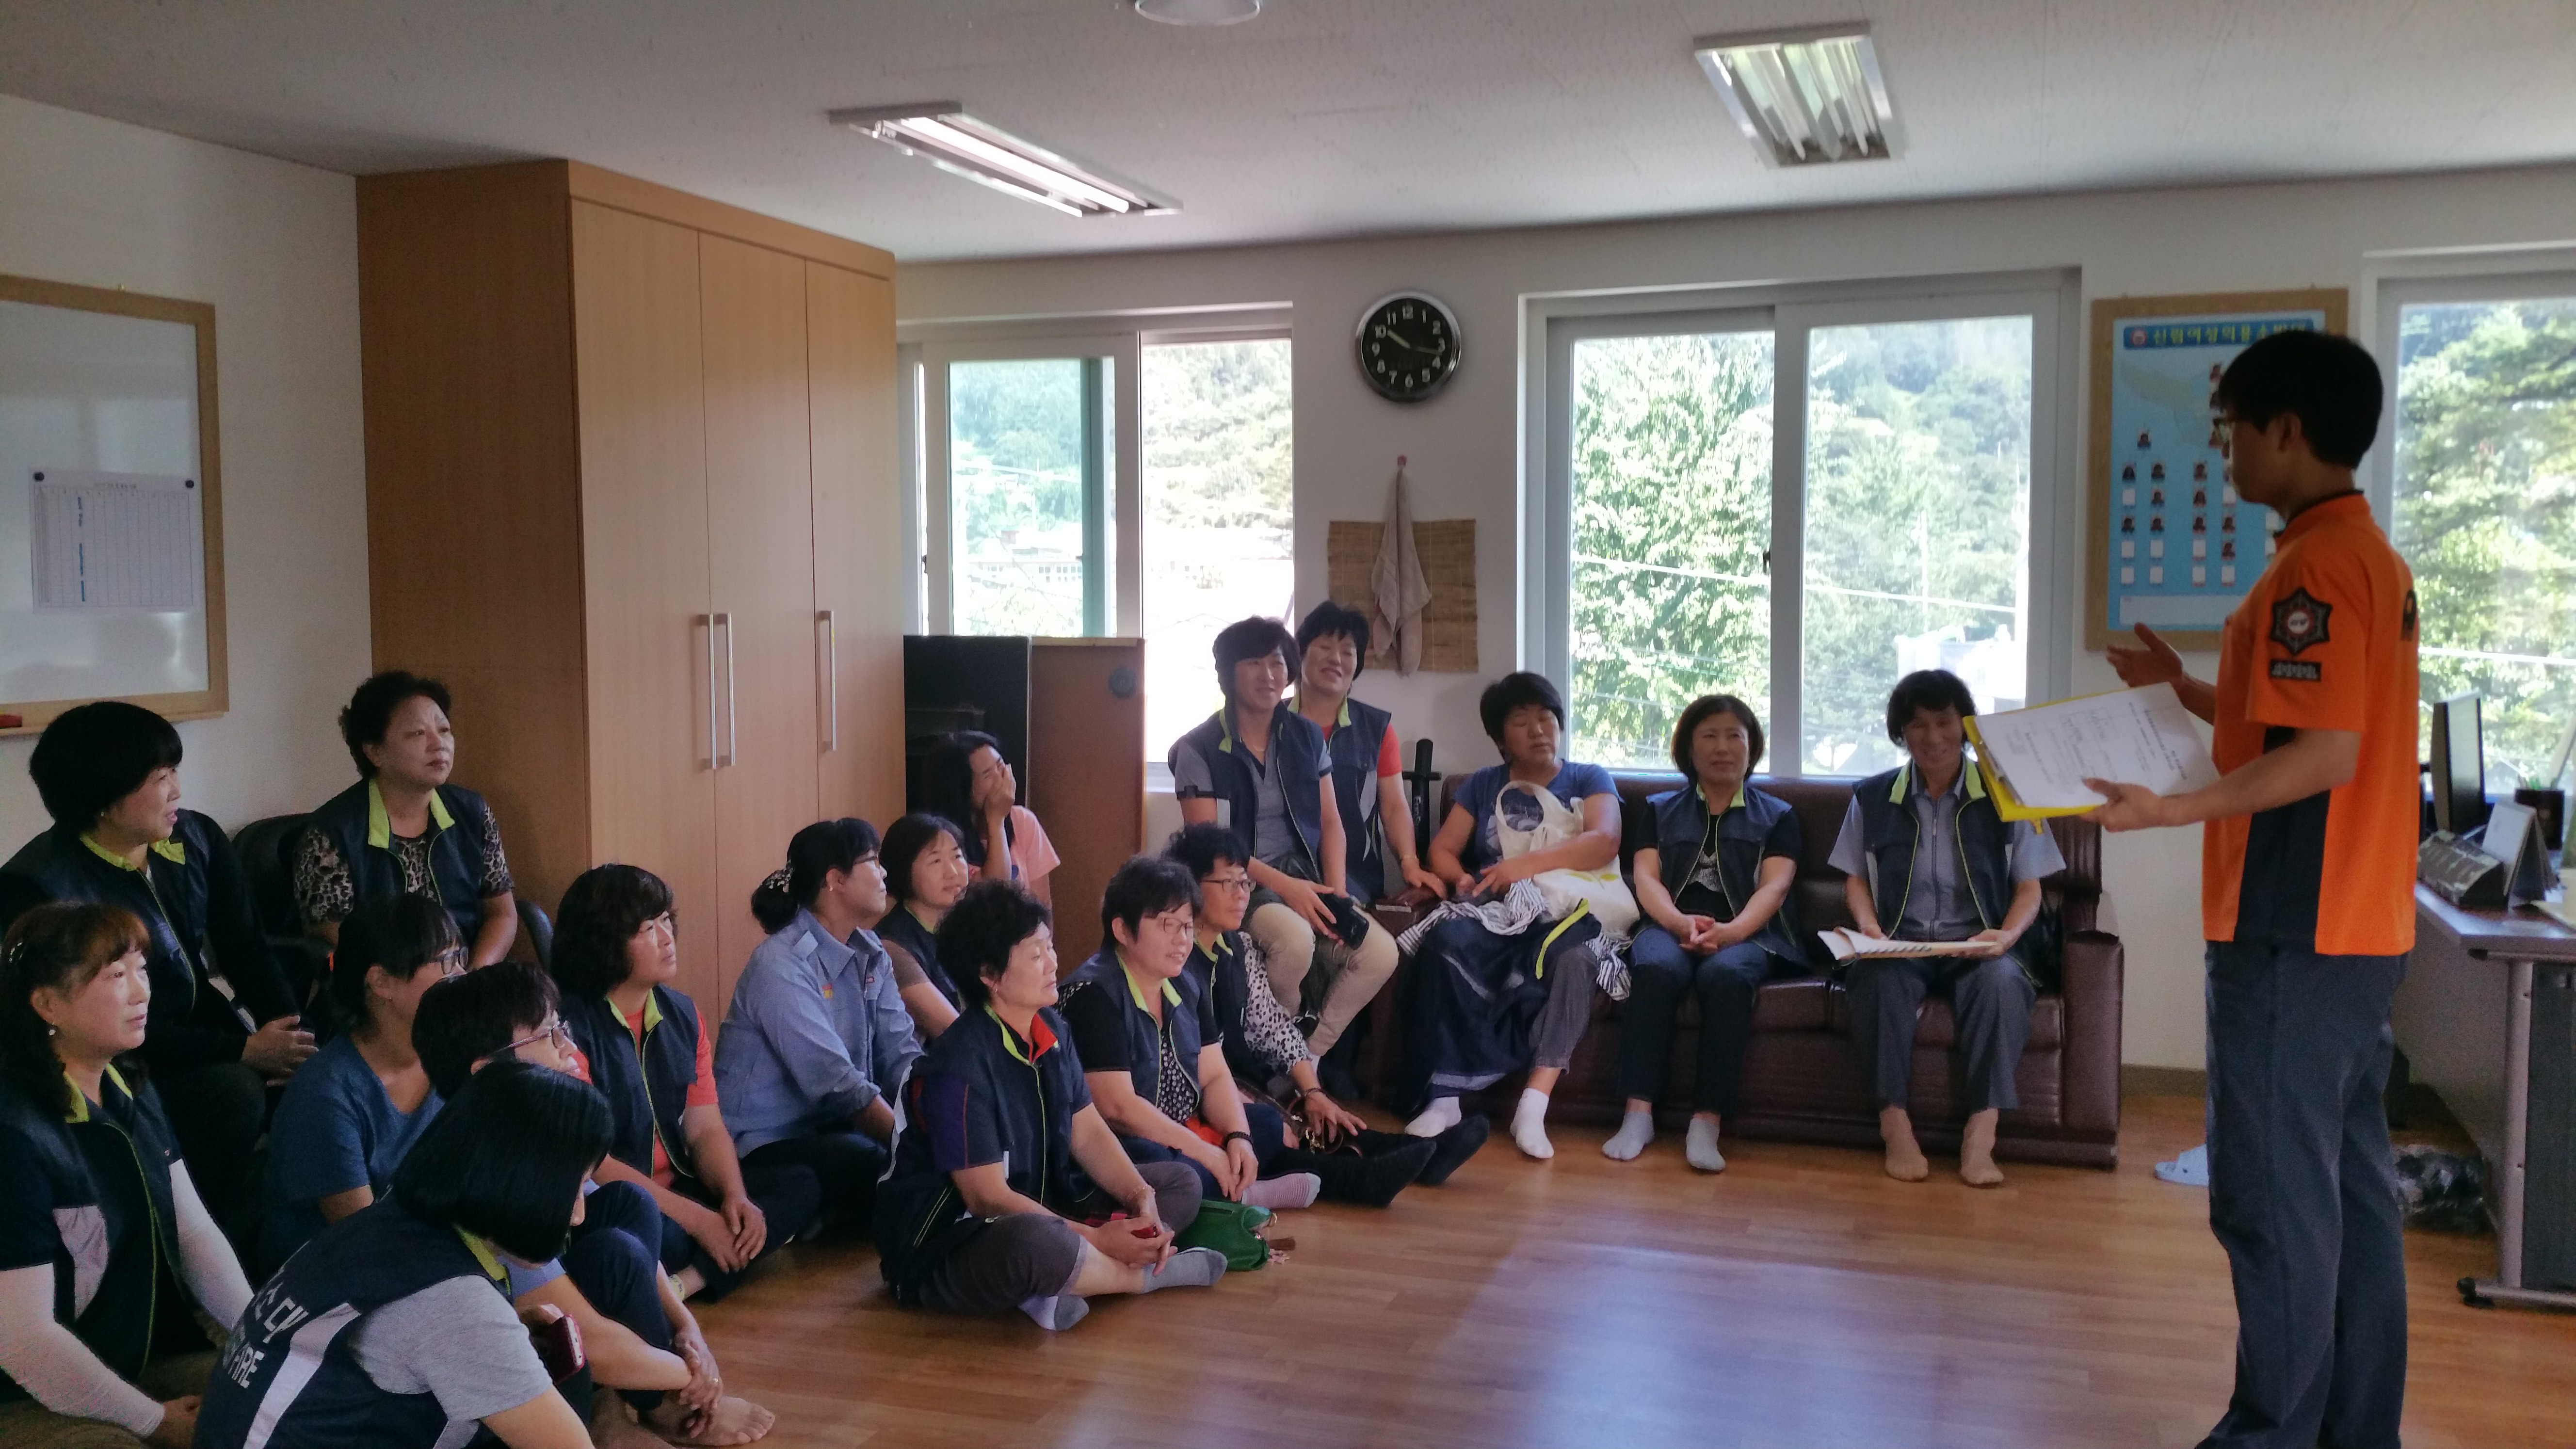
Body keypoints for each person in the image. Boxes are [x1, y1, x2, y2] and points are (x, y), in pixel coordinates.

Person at [2088, 329, 2415, 1449]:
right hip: (2355, 928)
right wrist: (2180, 684)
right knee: (2349, 1200)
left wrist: (2166, 810)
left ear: (2286, 431)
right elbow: (2293, 720)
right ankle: (2351, 1430)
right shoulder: (2360, 555)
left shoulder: (2311, 571)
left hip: (2292, 928)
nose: (2221, 449)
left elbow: (2321, 754)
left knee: (2271, 1205)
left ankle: (2269, 1434)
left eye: (2229, 428)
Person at [0, 701, 311, 1256]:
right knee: (235, 1093)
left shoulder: (196, 839)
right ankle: (178, 1249)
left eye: (174, 772)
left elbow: (247, 948)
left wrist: (293, 1036)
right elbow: (79, 1029)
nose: (177, 791)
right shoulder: (40, 887)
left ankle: (275, 1246)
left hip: (204, 1035)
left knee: (317, 1074)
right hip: (115, 1065)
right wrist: (242, 1050)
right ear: (104, 799)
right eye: (160, 777)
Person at [413, 966, 771, 1449]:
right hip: (477, 1398)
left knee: (629, 1203)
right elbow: (592, 1340)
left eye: (562, 1028)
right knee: (610, 1262)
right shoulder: (492, 1175)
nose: (568, 1048)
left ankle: (640, 1408)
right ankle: (642, 1412)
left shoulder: (524, 1134)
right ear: (487, 1071)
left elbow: (615, 1219)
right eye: (548, 1035)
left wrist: (689, 1330)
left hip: (529, 1336)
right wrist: (693, 1378)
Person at [875, 880, 1226, 1331]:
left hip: (1048, 1201)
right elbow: (986, 1197)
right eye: (1035, 955)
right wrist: (1098, 1237)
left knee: (1179, 1183)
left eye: (1050, 947)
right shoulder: (957, 1066)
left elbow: (1089, 1133)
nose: (1053, 963)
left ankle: (1059, 1286)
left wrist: (1140, 1198)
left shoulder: (1051, 1029)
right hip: (949, 1242)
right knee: (1040, 1244)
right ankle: (1135, 1279)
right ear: (990, 975)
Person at [193, 1061, 601, 1449]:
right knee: (571, 1386)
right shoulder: (458, 1306)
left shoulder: (394, 1221)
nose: (579, 1214)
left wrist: (502, 1329)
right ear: (522, 1181)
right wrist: (491, 1334)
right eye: (572, 1188)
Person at [0, 903, 255, 1449]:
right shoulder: (15, 1135)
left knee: (286, 1396)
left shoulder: (127, 1084)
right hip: (21, 1391)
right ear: (47, 1004)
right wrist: (155, 1421)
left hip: (126, 1358)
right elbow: (24, 1341)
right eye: (116, 976)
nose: (142, 992)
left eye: (141, 969)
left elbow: (194, 1233)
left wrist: (263, 1342)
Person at [1827, 669, 2061, 1188]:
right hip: (1901, 941)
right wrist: (1869, 927)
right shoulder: (1871, 797)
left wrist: (2005, 937)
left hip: (1979, 943)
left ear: (1965, 726)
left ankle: (1981, 1135)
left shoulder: (2008, 792)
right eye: (1917, 725)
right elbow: (1854, 879)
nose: (1932, 737)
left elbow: (2030, 888)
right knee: (1876, 978)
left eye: (1944, 722)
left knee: (2001, 984)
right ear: (1900, 733)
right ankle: (1894, 1127)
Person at [551, 866, 820, 1304]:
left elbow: (705, 1128)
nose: (667, 937)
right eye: (647, 928)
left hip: (680, 1186)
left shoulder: (682, 1013)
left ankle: (686, 1283)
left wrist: (733, 1197)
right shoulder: (568, 1030)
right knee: (656, 1237)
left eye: (665, 920)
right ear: (603, 942)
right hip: (618, 1200)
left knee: (798, 1185)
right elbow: (595, 1163)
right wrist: (699, 1221)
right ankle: (704, 1267)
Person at [1166, 823, 1473, 1202]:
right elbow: (1187, 1068)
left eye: (1245, 883)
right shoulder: (1174, 962)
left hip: (1239, 1078)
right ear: (1191, 887)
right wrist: (1255, 1104)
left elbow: (1273, 1027)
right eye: (1228, 883)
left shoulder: (1239, 947)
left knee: (1311, 1108)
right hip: (1200, 1096)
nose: (1242, 894)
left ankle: (1417, 1156)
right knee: (1268, 1125)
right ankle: (1361, 1179)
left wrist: (1313, 1091)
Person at [1401, 672, 1626, 1161]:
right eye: (1522, 722)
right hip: (1500, 910)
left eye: (1546, 718)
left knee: (1575, 960)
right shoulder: (1483, 784)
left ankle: (1533, 1104)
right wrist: (1462, 880)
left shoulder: (1589, 777)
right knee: (1446, 942)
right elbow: (1442, 850)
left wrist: (1522, 867)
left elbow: (1604, 841)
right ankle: (1444, 1099)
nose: (1539, 730)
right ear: (1501, 738)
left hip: (1568, 911)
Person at [1171, 616, 1400, 1066]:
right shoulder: (1198, 748)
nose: (1268, 674)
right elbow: (1208, 845)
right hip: (1236, 884)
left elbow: (1331, 822)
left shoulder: (1306, 736)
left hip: (1306, 877)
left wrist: (1336, 895)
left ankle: (1304, 1058)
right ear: (1228, 673)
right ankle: (1273, 1056)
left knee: (1380, 953)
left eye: (1277, 663)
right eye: (1253, 663)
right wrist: (1287, 888)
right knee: (1294, 943)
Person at [1606, 695, 1807, 1172]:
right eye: (1709, 736)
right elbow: (1646, 878)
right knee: (1654, 967)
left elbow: (1775, 887)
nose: (1722, 747)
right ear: (1688, 749)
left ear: (1751, 747)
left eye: (1734, 736)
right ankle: (1637, 1115)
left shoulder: (1779, 815)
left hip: (1750, 934)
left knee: (1726, 977)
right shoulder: (1658, 809)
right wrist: (1677, 922)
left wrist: (1732, 932)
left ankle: (1706, 1122)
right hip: (1669, 924)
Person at [1056, 855, 1322, 1211]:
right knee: (1167, 1167)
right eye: (1168, 925)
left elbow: (1214, 1075)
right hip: (1122, 1139)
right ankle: (1243, 1195)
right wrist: (1204, 1152)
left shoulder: (1185, 984)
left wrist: (1238, 1138)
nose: (1183, 940)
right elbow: (1117, 1109)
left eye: (1187, 926)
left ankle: (1227, 1190)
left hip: (1184, 1127)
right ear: (1121, 930)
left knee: (1264, 1125)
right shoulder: (1094, 994)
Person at [719, 819, 921, 1235]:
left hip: (831, 1129)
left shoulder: (872, 953)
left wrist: (938, 1113)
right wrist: (913, 1143)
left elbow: (902, 1055)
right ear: (836, 880)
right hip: (764, 1143)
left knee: (946, 1159)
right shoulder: (781, 962)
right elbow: (837, 1084)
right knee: (894, 1166)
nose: (884, 872)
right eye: (872, 861)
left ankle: (828, 1219)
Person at [259, 896, 461, 1272]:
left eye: (460, 957)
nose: (462, 974)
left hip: (429, 1254)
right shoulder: (326, 1095)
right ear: (382, 982)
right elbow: (370, 1247)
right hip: (340, 1281)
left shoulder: (453, 1057)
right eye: (447, 962)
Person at [296, 671, 519, 966]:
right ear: (375, 751)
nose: (439, 744)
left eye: (444, 730)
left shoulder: (473, 813)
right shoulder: (332, 832)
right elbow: (340, 939)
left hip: (468, 978)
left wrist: (474, 976)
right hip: (386, 983)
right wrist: (426, 980)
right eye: (417, 733)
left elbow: (501, 914)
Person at [1290, 602, 1444, 906]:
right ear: (1300, 654)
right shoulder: (1275, 724)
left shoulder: (1376, 729)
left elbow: (1394, 806)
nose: (1336, 659)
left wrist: (1410, 862)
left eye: (1348, 652)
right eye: (1325, 647)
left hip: (1356, 881)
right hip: (1287, 874)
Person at [922, 732, 1060, 910]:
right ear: (961, 791)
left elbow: (1042, 905)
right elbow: (994, 897)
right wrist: (996, 821)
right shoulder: (943, 841)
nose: (1001, 778)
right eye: (988, 775)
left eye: (1000, 765)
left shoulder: (1023, 821)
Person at [873, 813, 972, 1037]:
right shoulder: (893, 946)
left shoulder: (972, 924)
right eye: (936, 861)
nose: (953, 872)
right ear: (903, 870)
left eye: (957, 856)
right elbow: (951, 1030)